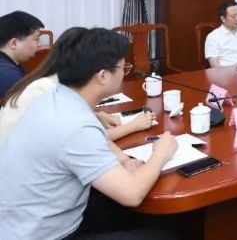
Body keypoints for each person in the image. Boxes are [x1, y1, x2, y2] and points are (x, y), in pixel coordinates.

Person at [0, 28, 178, 240]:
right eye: (123, 67)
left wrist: (122, 159)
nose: (125, 72)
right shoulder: (75, 123)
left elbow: (88, 142)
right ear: (102, 76)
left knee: (121, 210)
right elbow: (132, 194)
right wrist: (161, 153)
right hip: (44, 234)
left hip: (22, 220)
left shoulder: (55, 98)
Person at [0, 27, 155, 150]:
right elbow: (87, 139)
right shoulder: (49, 92)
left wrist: (96, 115)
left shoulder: (52, 82)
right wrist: (134, 126)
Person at [0, 10, 44, 97]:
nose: (39, 45)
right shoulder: (9, 76)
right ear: (14, 43)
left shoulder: (9, 65)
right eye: (36, 39)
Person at [205, 0, 237, 67]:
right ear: (223, 19)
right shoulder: (213, 37)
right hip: (225, 74)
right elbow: (214, 66)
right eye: (233, 16)